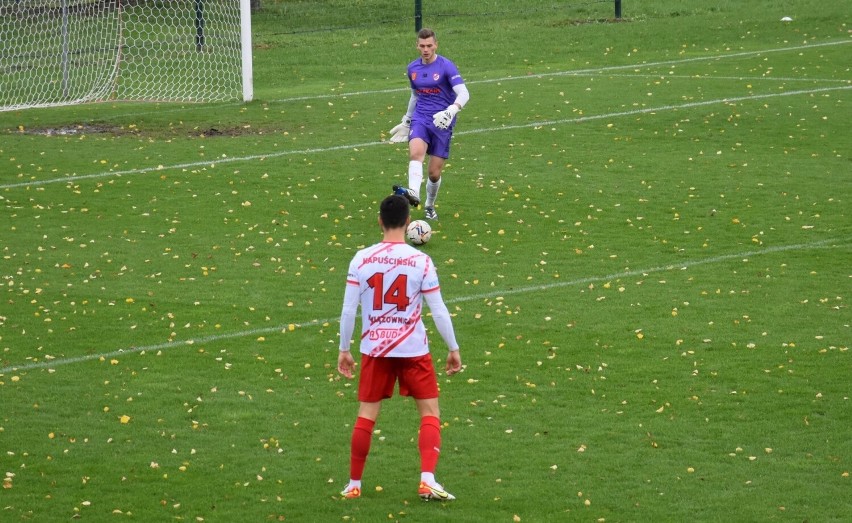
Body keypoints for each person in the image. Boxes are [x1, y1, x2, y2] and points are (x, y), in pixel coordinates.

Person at [337, 193, 462, 501]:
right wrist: (453, 347)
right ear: (408, 222)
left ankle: (353, 484)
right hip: (413, 349)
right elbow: (439, 309)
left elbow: (347, 308)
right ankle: (427, 479)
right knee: (430, 411)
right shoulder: (421, 261)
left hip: (375, 350)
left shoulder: (361, 259)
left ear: (380, 221)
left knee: (367, 414)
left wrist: (344, 349)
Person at [389, 27, 470, 221]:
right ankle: (414, 192)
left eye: (429, 45)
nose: (426, 49)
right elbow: (415, 95)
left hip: (442, 122)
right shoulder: (412, 69)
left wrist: (451, 110)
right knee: (415, 153)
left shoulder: (446, 66)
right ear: (417, 46)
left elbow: (464, 93)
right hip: (421, 118)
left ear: (436, 45)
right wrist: (407, 120)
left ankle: (429, 205)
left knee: (434, 173)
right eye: (422, 46)